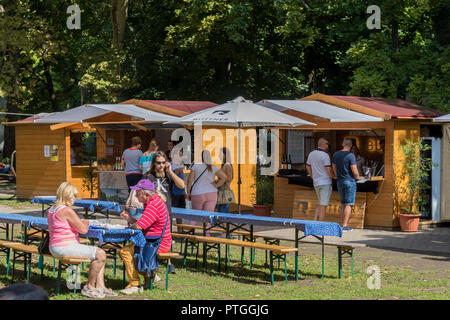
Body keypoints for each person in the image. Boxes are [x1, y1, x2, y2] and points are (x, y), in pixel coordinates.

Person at [47, 182, 116, 298]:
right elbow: (83, 230)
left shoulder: (52, 209)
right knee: (101, 254)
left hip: (55, 246)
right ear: (67, 195)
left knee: (99, 255)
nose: (74, 198)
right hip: (64, 246)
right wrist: (86, 222)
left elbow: (67, 225)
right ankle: (88, 287)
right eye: (73, 195)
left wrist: (81, 222)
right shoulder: (66, 210)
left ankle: (100, 286)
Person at [118, 179, 172, 295]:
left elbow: (139, 227)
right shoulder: (153, 202)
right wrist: (129, 219)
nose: (136, 196)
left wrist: (130, 224)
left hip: (157, 243)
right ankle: (150, 275)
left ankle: (135, 283)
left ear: (147, 194)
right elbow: (143, 224)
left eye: (138, 193)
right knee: (130, 250)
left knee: (125, 252)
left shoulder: (153, 206)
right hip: (154, 240)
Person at [332, 138, 364, 232]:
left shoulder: (336, 154)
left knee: (343, 203)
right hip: (350, 181)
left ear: (342, 144)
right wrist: (358, 177)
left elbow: (333, 166)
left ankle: (342, 225)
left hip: (340, 181)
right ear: (351, 146)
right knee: (348, 204)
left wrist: (336, 175)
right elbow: (354, 169)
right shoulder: (351, 155)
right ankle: (345, 226)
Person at [186, 150, 227, 224]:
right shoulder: (213, 167)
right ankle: (207, 234)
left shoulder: (195, 165)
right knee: (208, 217)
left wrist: (188, 192)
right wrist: (216, 185)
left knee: (195, 216)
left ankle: (189, 233)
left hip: (197, 193)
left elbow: (189, 180)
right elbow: (224, 177)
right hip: (212, 193)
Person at [142, 151, 185, 217]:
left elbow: (182, 185)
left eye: (163, 163)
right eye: (158, 163)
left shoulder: (168, 175)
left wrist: (170, 172)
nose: (161, 165)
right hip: (152, 213)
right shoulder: (147, 176)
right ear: (154, 163)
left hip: (166, 212)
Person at [306, 138, 335, 221]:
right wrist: (334, 176)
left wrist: (312, 176)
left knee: (320, 203)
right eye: (327, 144)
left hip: (316, 182)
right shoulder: (325, 155)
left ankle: (315, 222)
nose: (328, 146)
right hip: (325, 182)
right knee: (323, 204)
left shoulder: (311, 154)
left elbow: (307, 166)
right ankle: (320, 224)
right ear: (323, 144)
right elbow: (328, 170)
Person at [215, 147, 234, 213]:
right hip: (222, 192)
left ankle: (225, 223)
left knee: (223, 213)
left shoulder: (227, 165)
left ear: (225, 155)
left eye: (220, 154)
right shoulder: (224, 165)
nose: (219, 155)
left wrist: (219, 181)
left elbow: (229, 178)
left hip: (225, 192)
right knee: (221, 213)